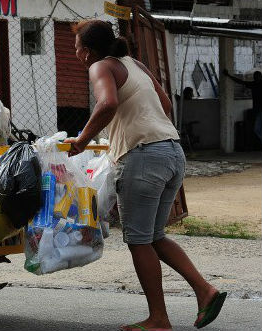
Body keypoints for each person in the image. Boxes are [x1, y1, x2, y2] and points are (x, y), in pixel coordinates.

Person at [64, 20, 226, 331]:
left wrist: (82, 140)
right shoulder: (133, 64)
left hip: (143, 157)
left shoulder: (99, 67)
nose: (76, 53)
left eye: (76, 48)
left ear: (86, 52)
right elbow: (164, 104)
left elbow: (108, 103)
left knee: (138, 240)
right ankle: (205, 291)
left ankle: (159, 319)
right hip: (171, 152)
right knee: (154, 237)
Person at [223, 69, 262, 143]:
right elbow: (241, 82)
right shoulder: (254, 84)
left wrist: (228, 75)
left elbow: (241, 82)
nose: (256, 78)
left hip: (258, 110)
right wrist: (228, 76)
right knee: (257, 129)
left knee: (257, 129)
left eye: (257, 77)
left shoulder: (255, 84)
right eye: (255, 77)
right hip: (258, 110)